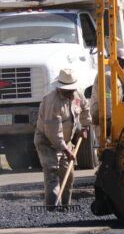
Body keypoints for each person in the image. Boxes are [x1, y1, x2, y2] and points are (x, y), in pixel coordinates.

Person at [34, 69, 92, 208]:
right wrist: (66, 151)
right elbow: (53, 133)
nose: (70, 93)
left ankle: (66, 206)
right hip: (46, 141)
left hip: (66, 141)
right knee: (52, 171)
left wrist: (84, 127)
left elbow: (85, 109)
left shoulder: (77, 95)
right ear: (59, 88)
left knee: (68, 174)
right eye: (67, 90)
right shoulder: (52, 103)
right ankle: (52, 207)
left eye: (71, 89)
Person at [90, 47, 124, 143]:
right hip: (104, 117)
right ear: (117, 60)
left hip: (110, 116)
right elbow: (107, 96)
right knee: (106, 146)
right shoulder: (107, 75)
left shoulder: (114, 74)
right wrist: (110, 118)